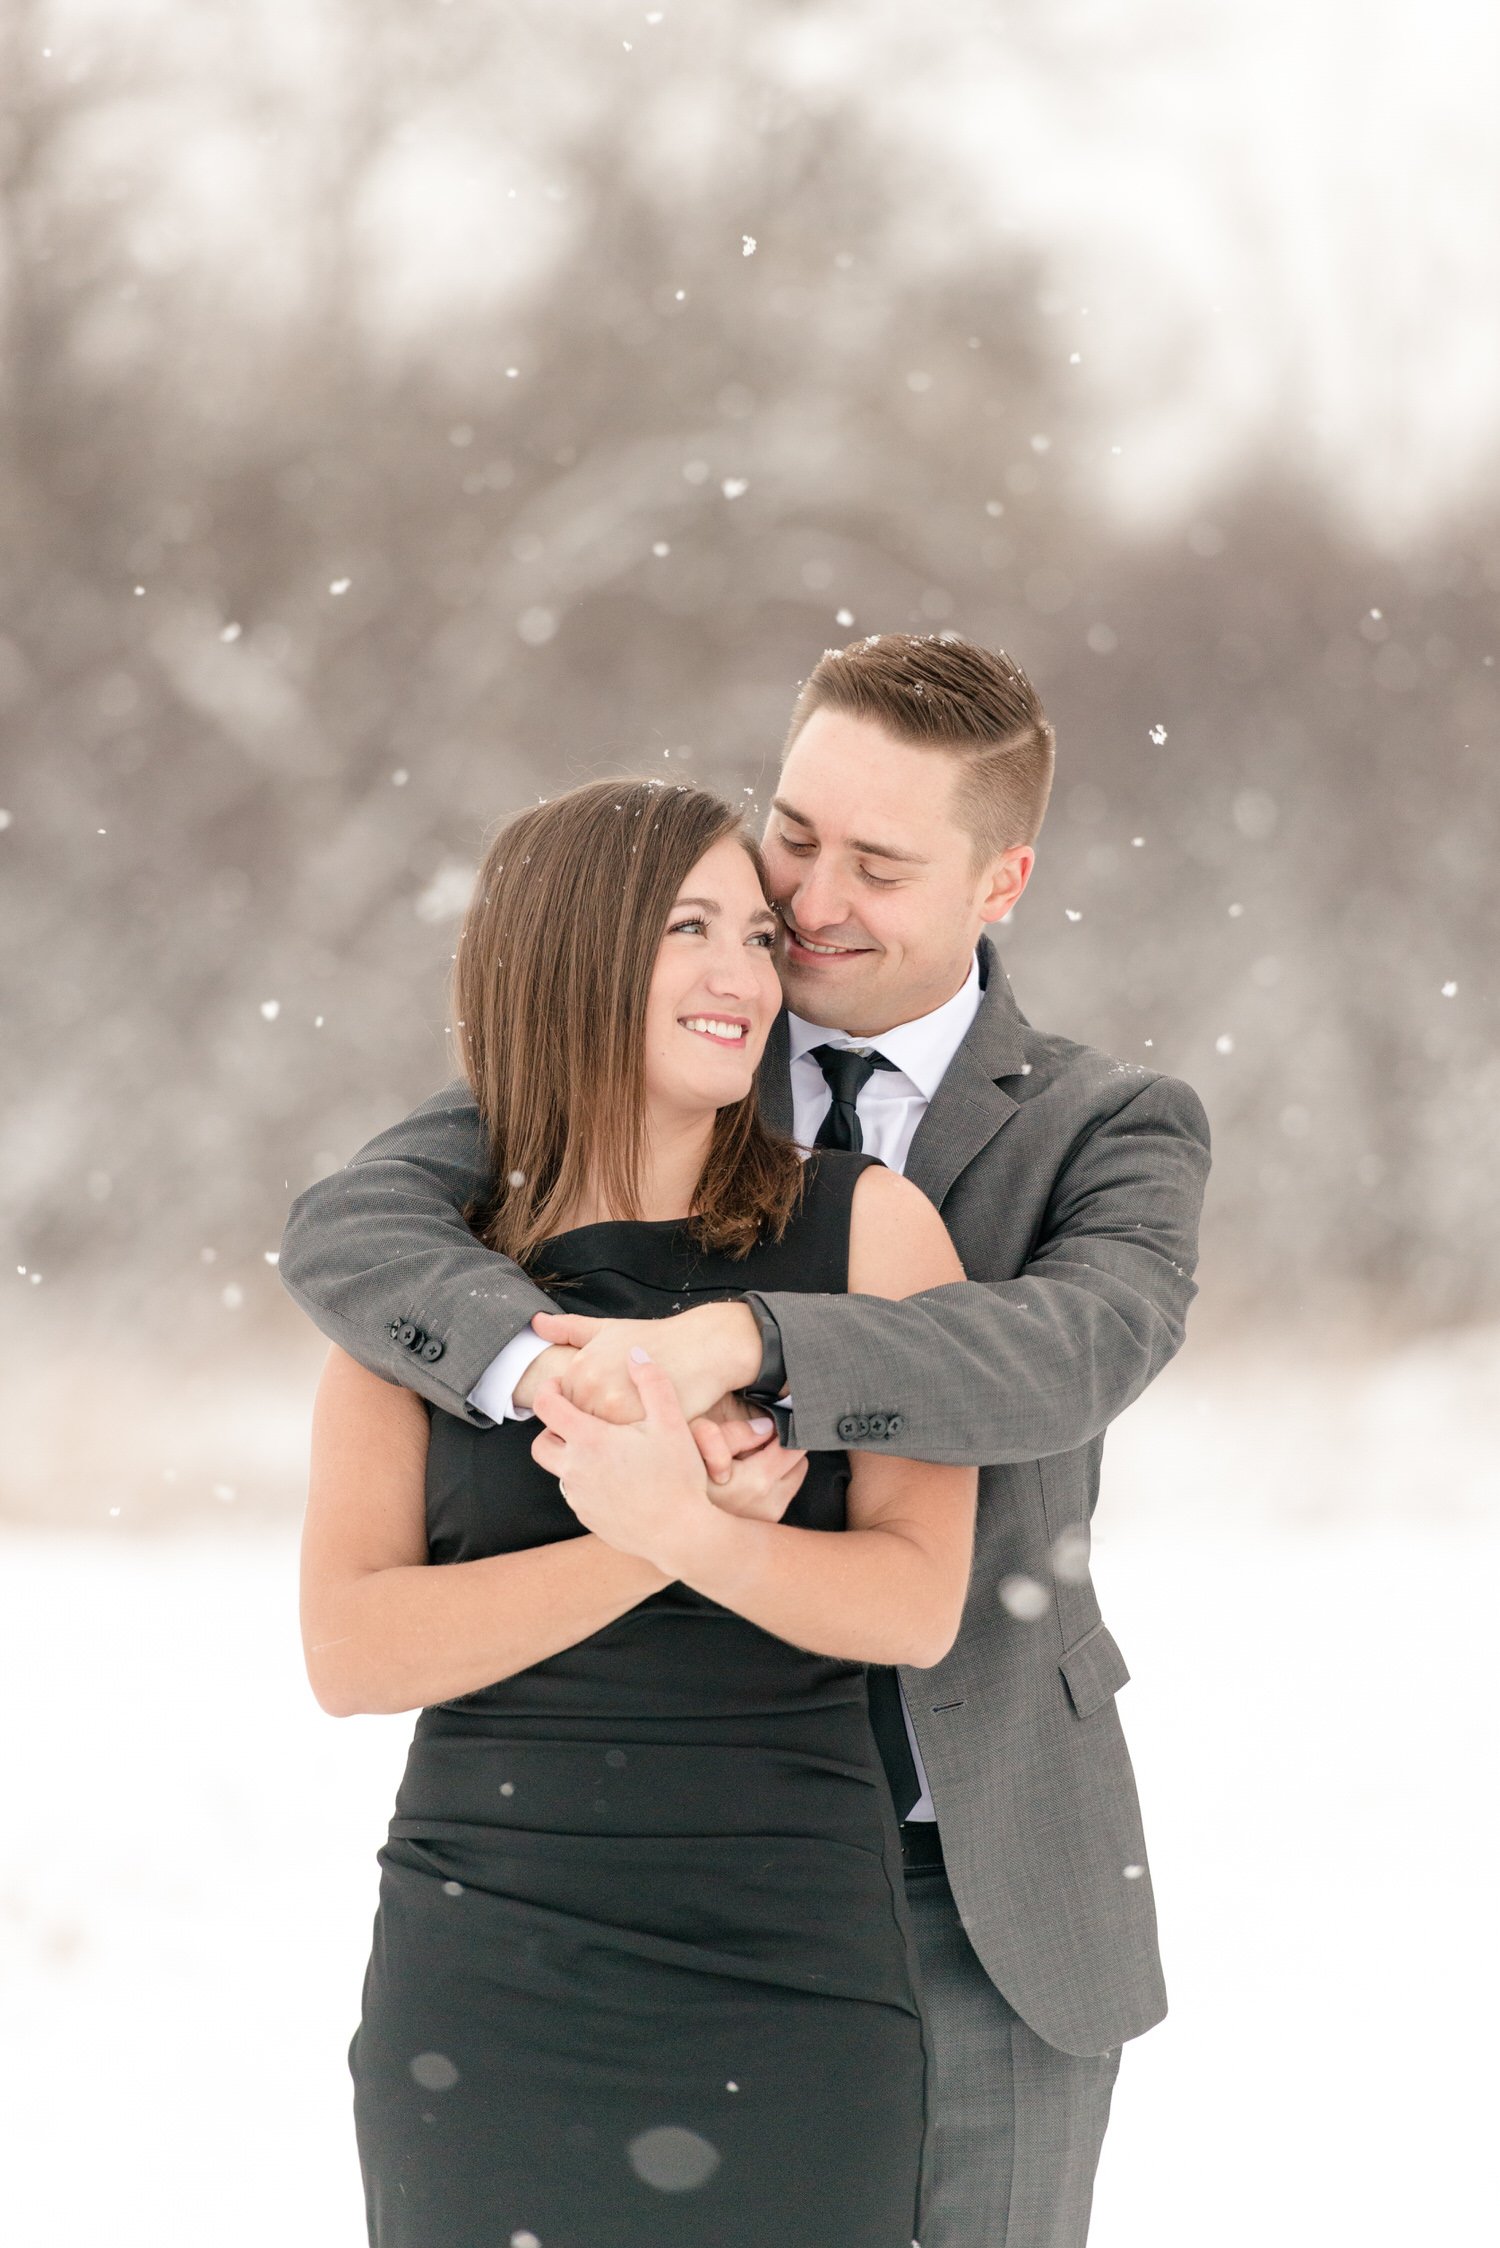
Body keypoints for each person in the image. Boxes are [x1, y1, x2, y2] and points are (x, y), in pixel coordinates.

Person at [282, 632, 1212, 2248]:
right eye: (796, 834)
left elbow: (1068, 1355)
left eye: (879, 861)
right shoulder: (675, 1037)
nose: (809, 901)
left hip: (961, 1861)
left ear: (1001, 879)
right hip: (596, 1856)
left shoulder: (1104, 1125)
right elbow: (354, 1230)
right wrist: (552, 1380)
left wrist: (747, 1342)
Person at [296, 774, 977, 2248]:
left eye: (755, 933)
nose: (744, 974)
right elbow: (354, 1651)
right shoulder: (426, 1274)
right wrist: (643, 1537)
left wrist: (698, 1536)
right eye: (690, 928)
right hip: (489, 1962)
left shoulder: (867, 1231)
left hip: (793, 1958)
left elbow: (916, 1601)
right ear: (570, 953)